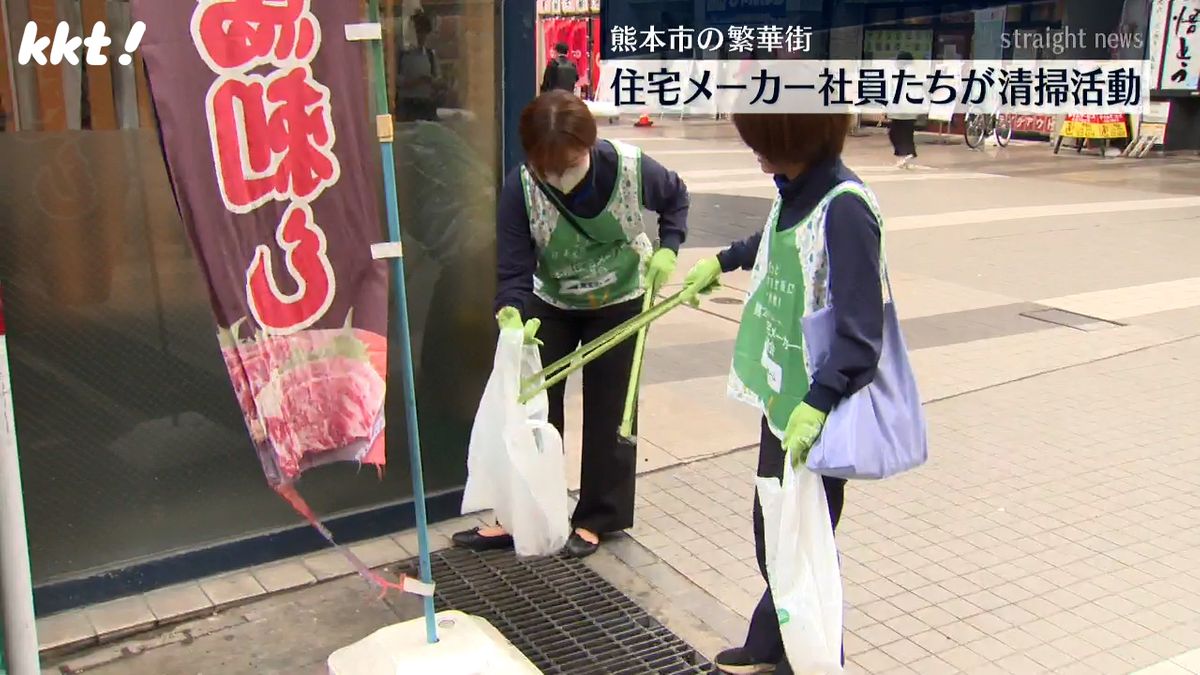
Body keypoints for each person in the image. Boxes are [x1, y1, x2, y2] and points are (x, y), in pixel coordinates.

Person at [680, 113, 885, 674]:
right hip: (783, 400)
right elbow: (772, 236)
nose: (756, 154)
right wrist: (722, 260)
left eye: (763, 143)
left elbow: (862, 332)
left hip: (817, 411)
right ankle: (771, 645)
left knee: (804, 547)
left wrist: (818, 405)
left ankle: (814, 662)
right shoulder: (794, 188)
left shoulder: (845, 208)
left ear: (795, 138)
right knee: (774, 534)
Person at [453, 90, 689, 559]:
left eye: (570, 164)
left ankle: (598, 516)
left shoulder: (628, 166)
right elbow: (515, 265)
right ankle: (523, 511)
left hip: (621, 297)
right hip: (553, 300)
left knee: (610, 411)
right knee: (533, 410)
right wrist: (512, 310)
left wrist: (669, 246)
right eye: (549, 170)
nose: (560, 178)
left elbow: (676, 198)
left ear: (590, 144)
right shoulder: (521, 185)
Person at [396, 11, 440, 122]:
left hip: (426, 104)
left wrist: (431, 82)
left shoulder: (430, 55)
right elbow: (395, 81)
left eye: (424, 32)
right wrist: (415, 82)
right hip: (408, 105)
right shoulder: (403, 55)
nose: (422, 36)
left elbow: (438, 79)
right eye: (419, 32)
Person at [887, 51, 918, 168]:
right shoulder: (913, 72)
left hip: (903, 109)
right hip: (910, 109)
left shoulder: (904, 72)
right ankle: (905, 158)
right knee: (906, 133)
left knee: (895, 133)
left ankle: (907, 155)